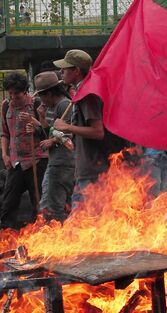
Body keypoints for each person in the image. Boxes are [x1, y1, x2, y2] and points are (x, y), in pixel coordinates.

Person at [53, 49, 110, 209]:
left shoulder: (88, 96)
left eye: (65, 68)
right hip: (89, 169)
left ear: (76, 71)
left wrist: (66, 127)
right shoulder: (82, 93)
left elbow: (98, 131)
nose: (61, 71)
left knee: (82, 222)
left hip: (93, 171)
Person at [0, 72, 48, 229]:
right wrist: (4, 154)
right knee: (8, 204)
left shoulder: (36, 104)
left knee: (38, 203)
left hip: (37, 161)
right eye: (10, 93)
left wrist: (33, 122)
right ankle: (5, 241)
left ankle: (39, 237)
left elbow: (47, 131)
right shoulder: (6, 105)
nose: (13, 97)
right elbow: (4, 133)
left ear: (25, 92)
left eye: (17, 94)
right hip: (16, 163)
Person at [34, 71, 74, 221]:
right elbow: (50, 133)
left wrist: (53, 141)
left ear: (50, 93)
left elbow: (68, 133)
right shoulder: (50, 107)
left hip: (62, 163)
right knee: (51, 205)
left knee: (51, 207)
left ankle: (53, 234)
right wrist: (42, 118)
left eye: (42, 96)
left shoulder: (64, 105)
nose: (41, 100)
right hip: (55, 162)